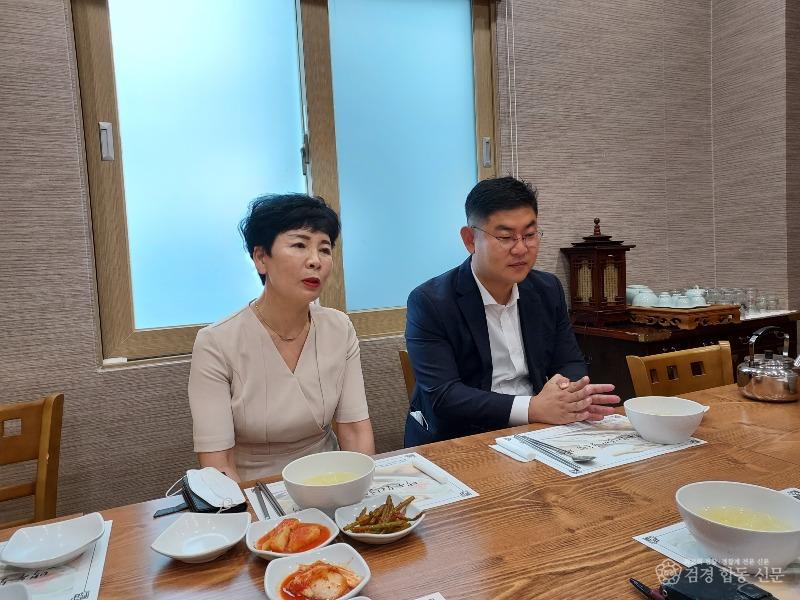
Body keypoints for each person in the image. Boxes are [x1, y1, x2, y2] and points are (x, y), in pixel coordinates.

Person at [404, 177, 619, 446]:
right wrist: (532, 408)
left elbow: (569, 361)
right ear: (470, 239)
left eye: (529, 235)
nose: (520, 249)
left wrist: (566, 394)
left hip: (538, 430)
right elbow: (444, 395)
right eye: (505, 237)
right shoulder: (430, 302)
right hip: (460, 438)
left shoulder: (547, 289)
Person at [188, 193, 375, 481]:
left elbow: (354, 430)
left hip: (332, 480)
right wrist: (244, 506)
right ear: (261, 258)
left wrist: (361, 492)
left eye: (324, 249)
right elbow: (219, 464)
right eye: (299, 245)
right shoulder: (216, 342)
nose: (315, 261)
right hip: (254, 490)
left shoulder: (339, 328)